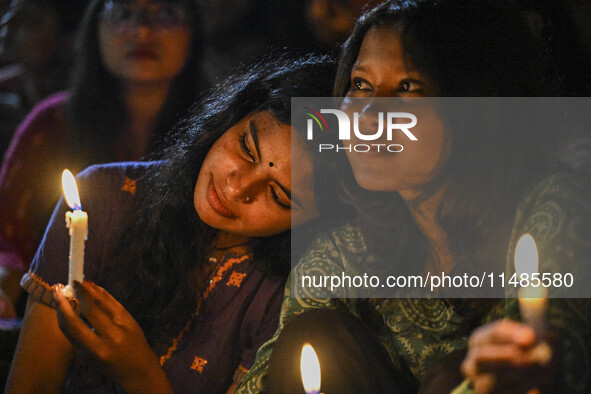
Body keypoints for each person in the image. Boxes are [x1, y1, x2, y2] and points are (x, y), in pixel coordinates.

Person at [236, 1, 591, 393]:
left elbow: (558, 354)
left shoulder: (555, 207)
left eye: (408, 87)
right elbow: (267, 379)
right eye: (361, 85)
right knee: (313, 336)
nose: (369, 115)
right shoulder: (347, 251)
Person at [5, 54, 341, 393]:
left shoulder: (287, 297)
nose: (237, 188)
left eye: (279, 196)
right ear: (232, 117)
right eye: (245, 149)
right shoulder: (103, 201)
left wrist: (138, 374)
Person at [0, 0, 208, 318]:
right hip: (55, 318)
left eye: (166, 14)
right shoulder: (52, 124)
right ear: (95, 27)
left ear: (193, 31)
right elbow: (8, 239)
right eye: (123, 13)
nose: (142, 31)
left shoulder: (218, 133)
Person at [0, 0, 87, 157]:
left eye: (29, 21)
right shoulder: (6, 90)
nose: (7, 28)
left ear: (69, 39)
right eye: (9, 16)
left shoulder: (86, 106)